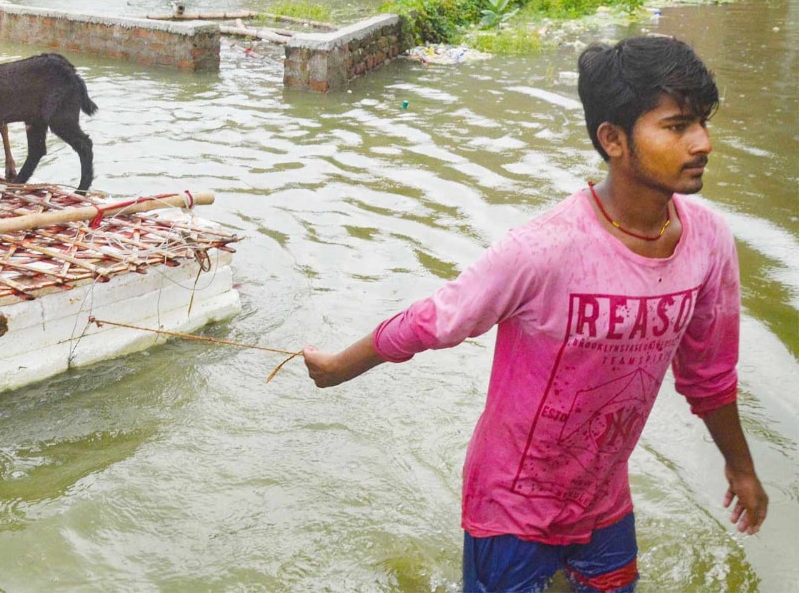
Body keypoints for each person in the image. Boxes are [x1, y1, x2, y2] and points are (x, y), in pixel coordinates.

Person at [303, 35, 768, 592]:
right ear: (613, 139)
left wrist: (740, 469)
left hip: (604, 503)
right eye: (676, 126)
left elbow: (710, 377)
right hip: (511, 510)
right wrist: (335, 369)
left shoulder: (708, 242)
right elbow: (436, 319)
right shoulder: (544, 250)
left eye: (701, 123)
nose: (702, 143)